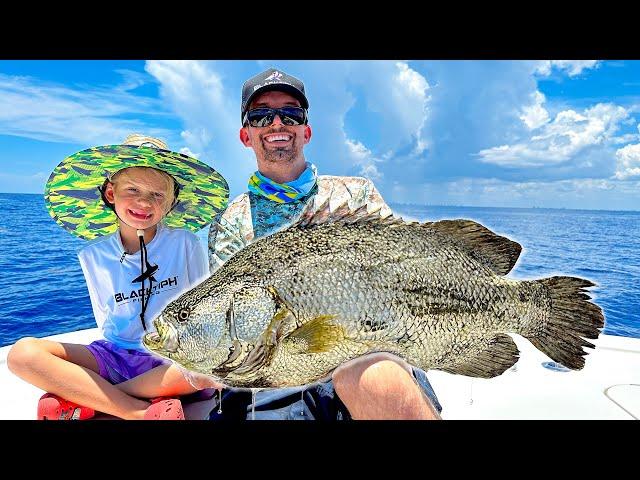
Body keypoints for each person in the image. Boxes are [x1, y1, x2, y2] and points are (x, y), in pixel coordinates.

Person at [201, 68, 443, 420]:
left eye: (291, 113)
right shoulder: (228, 222)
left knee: (380, 380)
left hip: (367, 350)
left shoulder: (356, 195)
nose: (277, 123)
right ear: (245, 135)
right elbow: (237, 325)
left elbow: (406, 276)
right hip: (276, 375)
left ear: (306, 130)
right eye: (261, 115)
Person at [7, 134, 228, 420]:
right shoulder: (93, 256)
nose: (144, 202)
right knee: (22, 354)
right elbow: (106, 322)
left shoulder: (186, 243)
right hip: (117, 355)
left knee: (210, 368)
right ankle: (138, 411)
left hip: (174, 359)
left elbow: (205, 310)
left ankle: (93, 398)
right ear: (111, 193)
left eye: (157, 195)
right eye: (133, 189)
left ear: (170, 203)